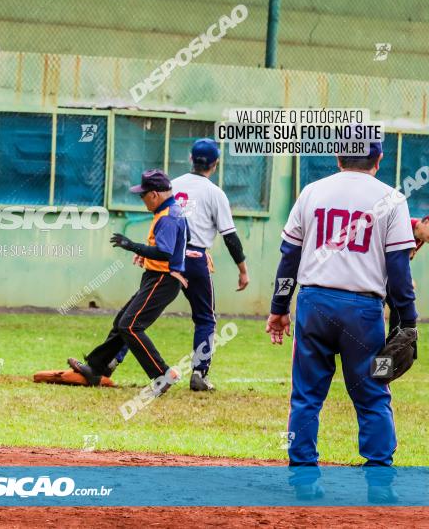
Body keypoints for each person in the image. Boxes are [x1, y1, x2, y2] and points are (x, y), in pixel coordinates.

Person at [266, 140, 416, 469]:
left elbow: (289, 257)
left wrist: (279, 307)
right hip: (363, 313)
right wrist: (408, 321)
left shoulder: (312, 192)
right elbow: (399, 271)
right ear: (378, 159)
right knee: (374, 391)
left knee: (305, 395)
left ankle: (302, 472)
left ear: (338, 157)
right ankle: (378, 477)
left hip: (313, 305)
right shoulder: (391, 198)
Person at [106, 139, 249, 391]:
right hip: (194, 259)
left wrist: (145, 250)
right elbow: (230, 237)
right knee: (205, 317)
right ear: (215, 164)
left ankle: (112, 360)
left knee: (138, 312)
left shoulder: (172, 185)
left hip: (166, 258)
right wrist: (242, 269)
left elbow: (162, 221)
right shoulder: (215, 193)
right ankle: (199, 373)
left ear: (190, 159)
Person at [68, 169, 189, 395]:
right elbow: (181, 242)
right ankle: (96, 368)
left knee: (130, 325)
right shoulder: (173, 211)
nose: (142, 200)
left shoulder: (168, 216)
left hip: (163, 280)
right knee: (121, 322)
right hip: (157, 277)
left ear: (154, 194)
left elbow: (165, 252)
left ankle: (162, 375)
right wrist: (148, 255)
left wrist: (132, 245)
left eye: (142, 195)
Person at [387, 215, 429, 334]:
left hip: (389, 273)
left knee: (397, 307)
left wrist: (407, 278)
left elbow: (404, 261)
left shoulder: (420, 239)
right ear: (426, 222)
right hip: (379, 271)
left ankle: (393, 342)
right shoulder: (405, 225)